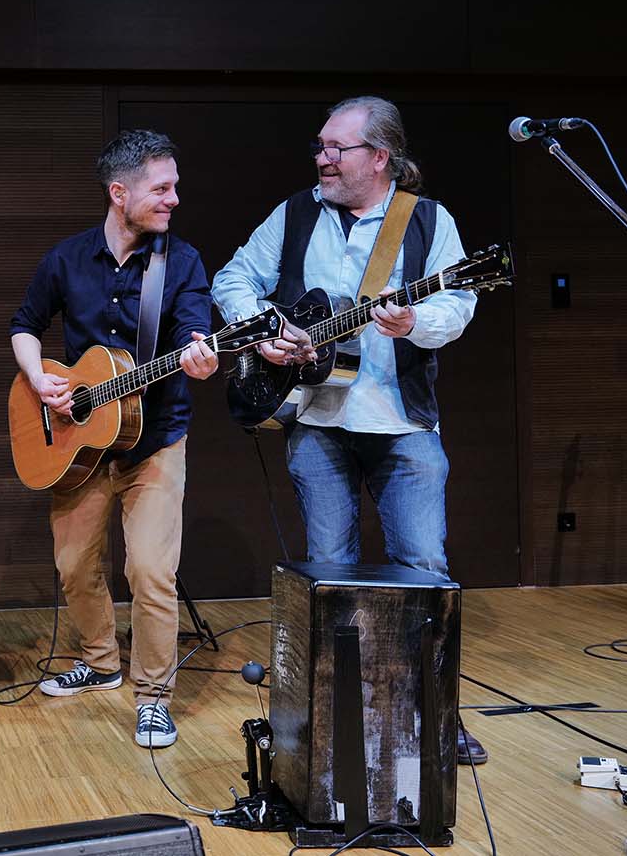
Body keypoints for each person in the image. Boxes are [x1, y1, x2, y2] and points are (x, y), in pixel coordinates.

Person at [210, 95, 486, 765]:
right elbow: (233, 278)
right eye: (321, 146)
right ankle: (334, 717)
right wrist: (268, 330)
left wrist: (414, 321)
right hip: (318, 421)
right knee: (328, 575)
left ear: (379, 156)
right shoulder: (295, 212)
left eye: (337, 148)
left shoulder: (427, 220)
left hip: (402, 423)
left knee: (423, 570)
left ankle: (435, 714)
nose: (322, 159)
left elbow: (458, 303)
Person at [9, 130, 218, 749]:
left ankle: (153, 697)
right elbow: (24, 325)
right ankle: (100, 662)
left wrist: (202, 357)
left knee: (150, 569)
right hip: (80, 441)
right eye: (162, 188)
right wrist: (39, 377)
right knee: (73, 566)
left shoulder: (182, 262)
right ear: (119, 192)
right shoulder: (66, 258)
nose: (174, 199)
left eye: (175, 186)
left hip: (154, 440)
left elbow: (195, 331)